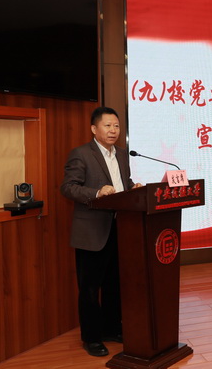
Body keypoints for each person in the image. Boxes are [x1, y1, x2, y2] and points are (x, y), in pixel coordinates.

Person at [60, 106, 142, 357]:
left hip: (120, 228)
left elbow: (122, 184)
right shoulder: (81, 154)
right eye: (107, 125)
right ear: (94, 129)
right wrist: (97, 192)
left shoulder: (122, 154)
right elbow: (68, 187)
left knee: (114, 284)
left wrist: (133, 189)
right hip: (92, 231)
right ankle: (91, 338)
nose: (113, 130)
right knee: (89, 288)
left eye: (116, 125)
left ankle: (111, 328)